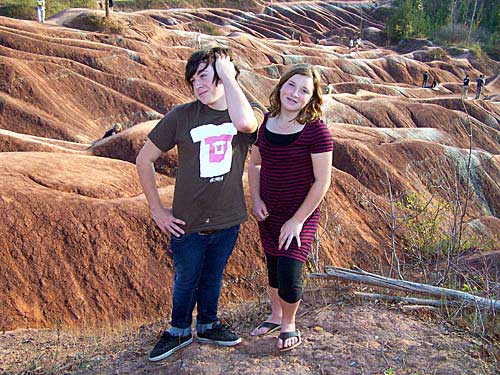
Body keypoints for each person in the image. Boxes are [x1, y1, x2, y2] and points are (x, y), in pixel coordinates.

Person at [136, 47, 262, 362]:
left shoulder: (240, 114)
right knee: (186, 277)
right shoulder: (181, 116)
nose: (198, 85)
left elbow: (247, 125)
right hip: (187, 221)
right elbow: (144, 159)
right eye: (193, 79)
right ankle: (178, 330)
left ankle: (208, 324)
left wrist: (228, 73)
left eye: (205, 76)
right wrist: (157, 210)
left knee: (213, 275)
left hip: (227, 218)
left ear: (225, 76)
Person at [248, 64, 333, 352]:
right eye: (291, 85)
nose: (295, 93)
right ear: (281, 86)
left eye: (304, 90)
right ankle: (275, 315)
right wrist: (256, 199)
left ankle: (289, 323)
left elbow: (322, 181)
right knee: (273, 265)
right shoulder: (268, 120)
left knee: (289, 270)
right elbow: (256, 163)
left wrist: (297, 220)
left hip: (301, 214)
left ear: (312, 98)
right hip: (269, 210)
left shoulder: (316, 131)